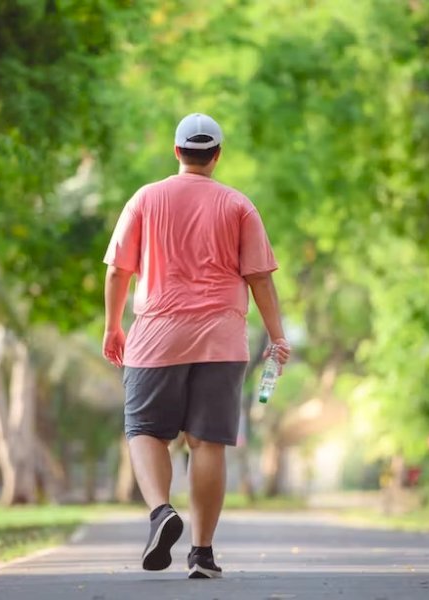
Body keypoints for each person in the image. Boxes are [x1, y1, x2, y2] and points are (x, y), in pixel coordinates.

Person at [102, 112, 290, 579]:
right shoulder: (237, 205)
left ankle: (161, 511)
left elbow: (117, 271)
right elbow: (260, 279)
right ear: (217, 156)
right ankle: (202, 554)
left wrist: (112, 326)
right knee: (208, 443)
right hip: (222, 339)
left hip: (157, 334)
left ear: (177, 151)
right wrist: (277, 335)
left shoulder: (145, 198)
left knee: (145, 429)